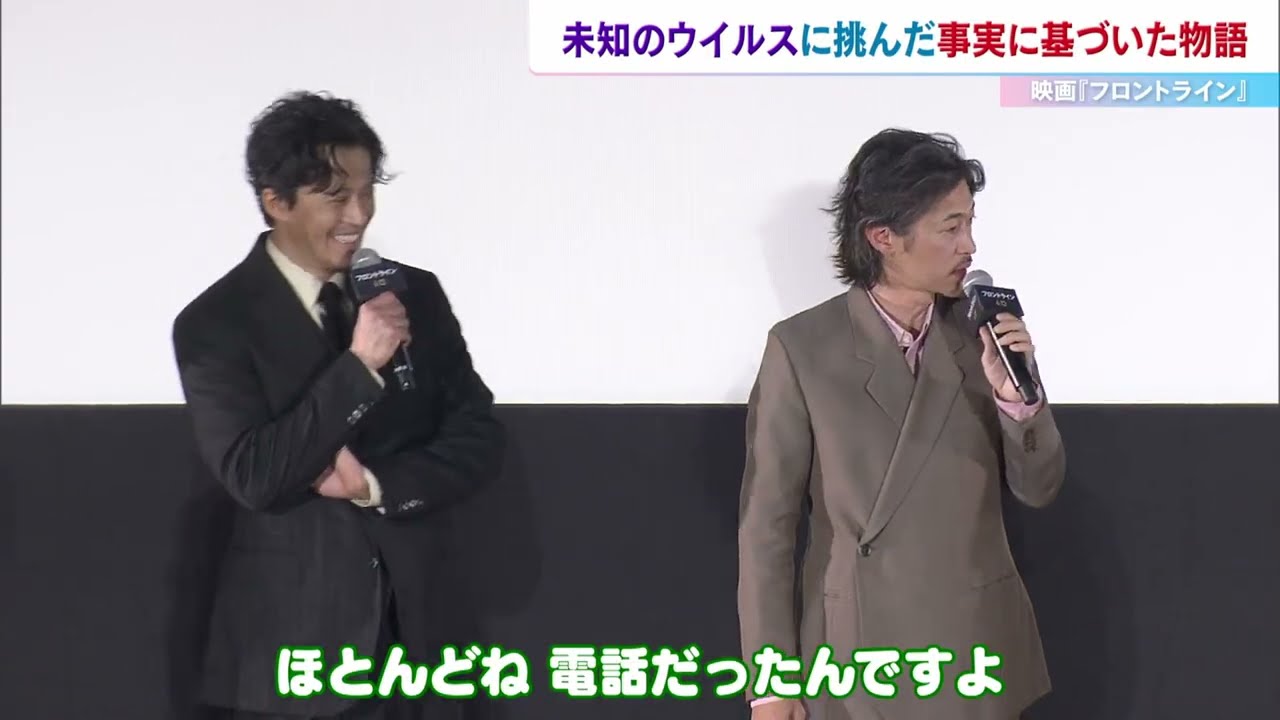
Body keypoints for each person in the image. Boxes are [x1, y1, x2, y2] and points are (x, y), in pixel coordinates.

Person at [172, 91, 504, 719]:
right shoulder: (215, 323)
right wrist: (358, 367)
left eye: (366, 191)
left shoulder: (413, 294)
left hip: (425, 645)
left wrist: (376, 486)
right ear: (277, 202)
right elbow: (254, 473)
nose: (359, 215)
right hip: (295, 655)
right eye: (335, 196)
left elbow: (478, 436)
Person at [737, 129, 1066, 720]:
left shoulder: (985, 336)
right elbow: (768, 529)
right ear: (883, 237)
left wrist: (1019, 401)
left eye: (970, 223)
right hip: (857, 653)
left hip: (973, 647)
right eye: (950, 227)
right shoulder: (803, 347)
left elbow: (1040, 488)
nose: (970, 245)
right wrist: (771, 682)